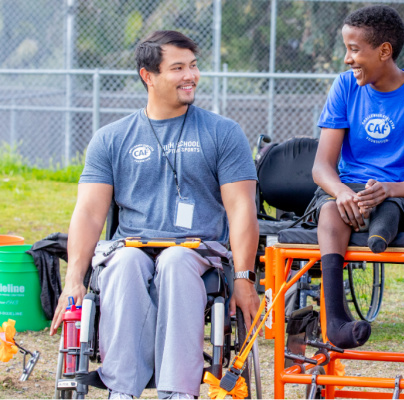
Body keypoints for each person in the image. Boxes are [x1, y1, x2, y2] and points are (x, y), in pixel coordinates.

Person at [49, 30, 260, 399]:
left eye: (193, 66)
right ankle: (122, 389)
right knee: (125, 262)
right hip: (131, 246)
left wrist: (243, 278)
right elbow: (88, 213)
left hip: (198, 252)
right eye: (177, 68)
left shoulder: (223, 133)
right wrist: (74, 280)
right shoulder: (111, 138)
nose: (190, 76)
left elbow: (242, 209)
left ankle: (177, 392)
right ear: (149, 76)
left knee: (176, 261)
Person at [312, 5, 404, 349]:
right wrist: (341, 192)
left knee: (388, 206)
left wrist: (387, 189)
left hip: (400, 195)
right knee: (331, 210)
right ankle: (336, 320)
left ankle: (380, 229)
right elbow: (321, 168)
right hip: (350, 191)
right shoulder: (345, 87)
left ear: (384, 51)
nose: (347, 59)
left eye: (354, 50)